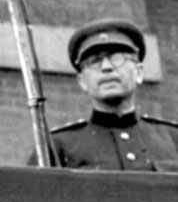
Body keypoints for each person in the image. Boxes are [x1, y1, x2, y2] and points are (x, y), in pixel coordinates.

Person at [40, 18, 178, 171]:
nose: (106, 67)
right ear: (82, 81)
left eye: (117, 57)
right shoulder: (57, 146)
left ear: (138, 72)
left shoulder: (173, 138)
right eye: (94, 61)